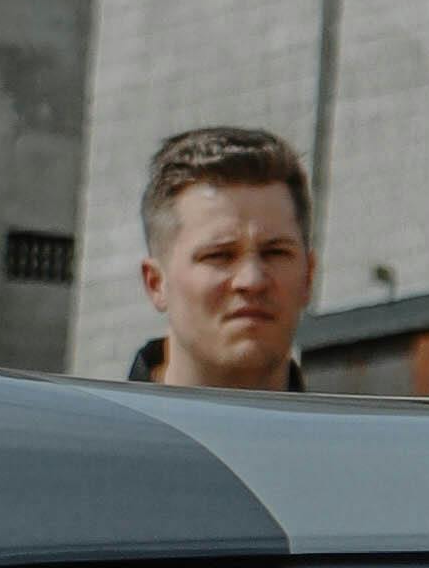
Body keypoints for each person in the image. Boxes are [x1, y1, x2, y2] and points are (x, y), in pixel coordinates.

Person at [130, 120, 319, 395]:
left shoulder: (361, 439)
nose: (252, 281)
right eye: (219, 255)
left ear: (309, 276)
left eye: (275, 252)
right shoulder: (78, 437)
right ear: (156, 283)